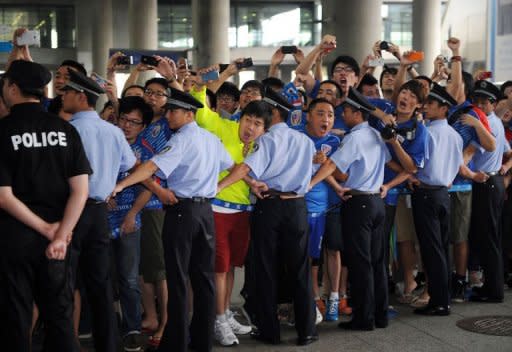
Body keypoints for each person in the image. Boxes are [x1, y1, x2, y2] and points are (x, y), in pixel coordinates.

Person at [112, 88, 233, 352]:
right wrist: (216, 187)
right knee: (204, 280)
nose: (167, 115)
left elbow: (150, 167)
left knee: (178, 279)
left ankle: (176, 343)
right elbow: (229, 164)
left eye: (173, 111)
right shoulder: (210, 139)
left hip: (182, 212)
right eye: (167, 110)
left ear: (189, 114)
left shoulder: (181, 140)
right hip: (205, 214)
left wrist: (121, 185)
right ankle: (202, 343)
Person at [0, 60, 91, 351]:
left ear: (13, 88)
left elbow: (3, 196)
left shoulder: (3, 131)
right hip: (58, 243)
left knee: (16, 315)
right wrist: (61, 234)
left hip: (14, 238)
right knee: (60, 317)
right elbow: (81, 190)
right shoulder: (65, 130)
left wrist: (46, 229)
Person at [217, 88, 318, 346]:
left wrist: (218, 187)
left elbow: (246, 168)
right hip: (297, 207)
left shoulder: (269, 140)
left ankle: (269, 330)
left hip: (270, 206)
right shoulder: (305, 141)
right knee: (300, 270)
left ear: (273, 113)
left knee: (265, 269)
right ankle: (307, 331)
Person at [309, 87, 401, 330]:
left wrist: (310, 183)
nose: (343, 116)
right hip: (377, 203)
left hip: (359, 204)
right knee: (377, 263)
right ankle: (379, 315)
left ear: (355, 113)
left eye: (345, 112)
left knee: (361, 264)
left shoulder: (354, 138)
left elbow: (333, 166)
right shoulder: (374, 134)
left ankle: (364, 318)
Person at [190, 82, 272, 345]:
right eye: (248, 120)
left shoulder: (261, 146)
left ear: (264, 129)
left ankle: (224, 313)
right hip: (217, 209)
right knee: (219, 268)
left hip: (243, 212)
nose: (250, 127)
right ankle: (217, 321)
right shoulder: (222, 127)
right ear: (241, 115)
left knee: (231, 267)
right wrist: (200, 86)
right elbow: (201, 111)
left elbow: (248, 173)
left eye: (258, 124)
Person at [61, 69, 137, 352]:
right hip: (99, 214)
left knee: (66, 281)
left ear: (81, 97)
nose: (62, 96)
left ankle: (65, 343)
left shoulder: (68, 130)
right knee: (101, 283)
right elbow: (128, 164)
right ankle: (109, 344)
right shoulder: (113, 131)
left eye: (66, 92)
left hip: (71, 211)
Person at [408, 84, 465, 316]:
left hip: (427, 192)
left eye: (431, 104)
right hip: (443, 194)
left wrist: (411, 175)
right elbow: (457, 165)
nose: (426, 107)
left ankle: (439, 302)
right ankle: (444, 298)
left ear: (444, 109)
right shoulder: (454, 134)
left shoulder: (428, 132)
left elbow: (418, 163)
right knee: (441, 248)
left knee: (432, 250)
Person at [108, 96, 155, 352]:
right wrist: (102, 196)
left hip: (130, 220)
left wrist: (131, 215)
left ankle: (133, 328)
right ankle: (105, 327)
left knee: (129, 279)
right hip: (101, 217)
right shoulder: (107, 141)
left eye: (134, 122)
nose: (127, 126)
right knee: (103, 276)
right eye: (124, 119)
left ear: (143, 126)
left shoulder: (146, 151)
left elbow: (149, 188)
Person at [468, 80, 512, 303]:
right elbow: (508, 150)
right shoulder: (494, 122)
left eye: (484, 102)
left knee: (489, 238)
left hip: (486, 182)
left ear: (494, 104)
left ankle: (493, 291)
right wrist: (505, 167)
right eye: (476, 101)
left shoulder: (486, 124)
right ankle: (491, 287)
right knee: (489, 237)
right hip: (492, 182)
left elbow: (471, 153)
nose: (479, 105)